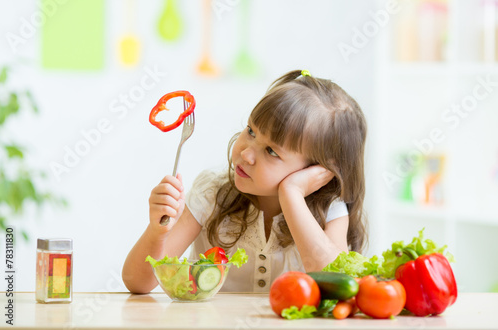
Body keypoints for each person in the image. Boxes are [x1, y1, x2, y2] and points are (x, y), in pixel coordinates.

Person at [122, 69, 367, 294]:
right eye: (251, 131)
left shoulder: (330, 209)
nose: (246, 153)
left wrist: (291, 193)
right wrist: (157, 232)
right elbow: (139, 282)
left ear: (318, 171)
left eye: (272, 151)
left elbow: (337, 287)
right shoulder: (213, 192)